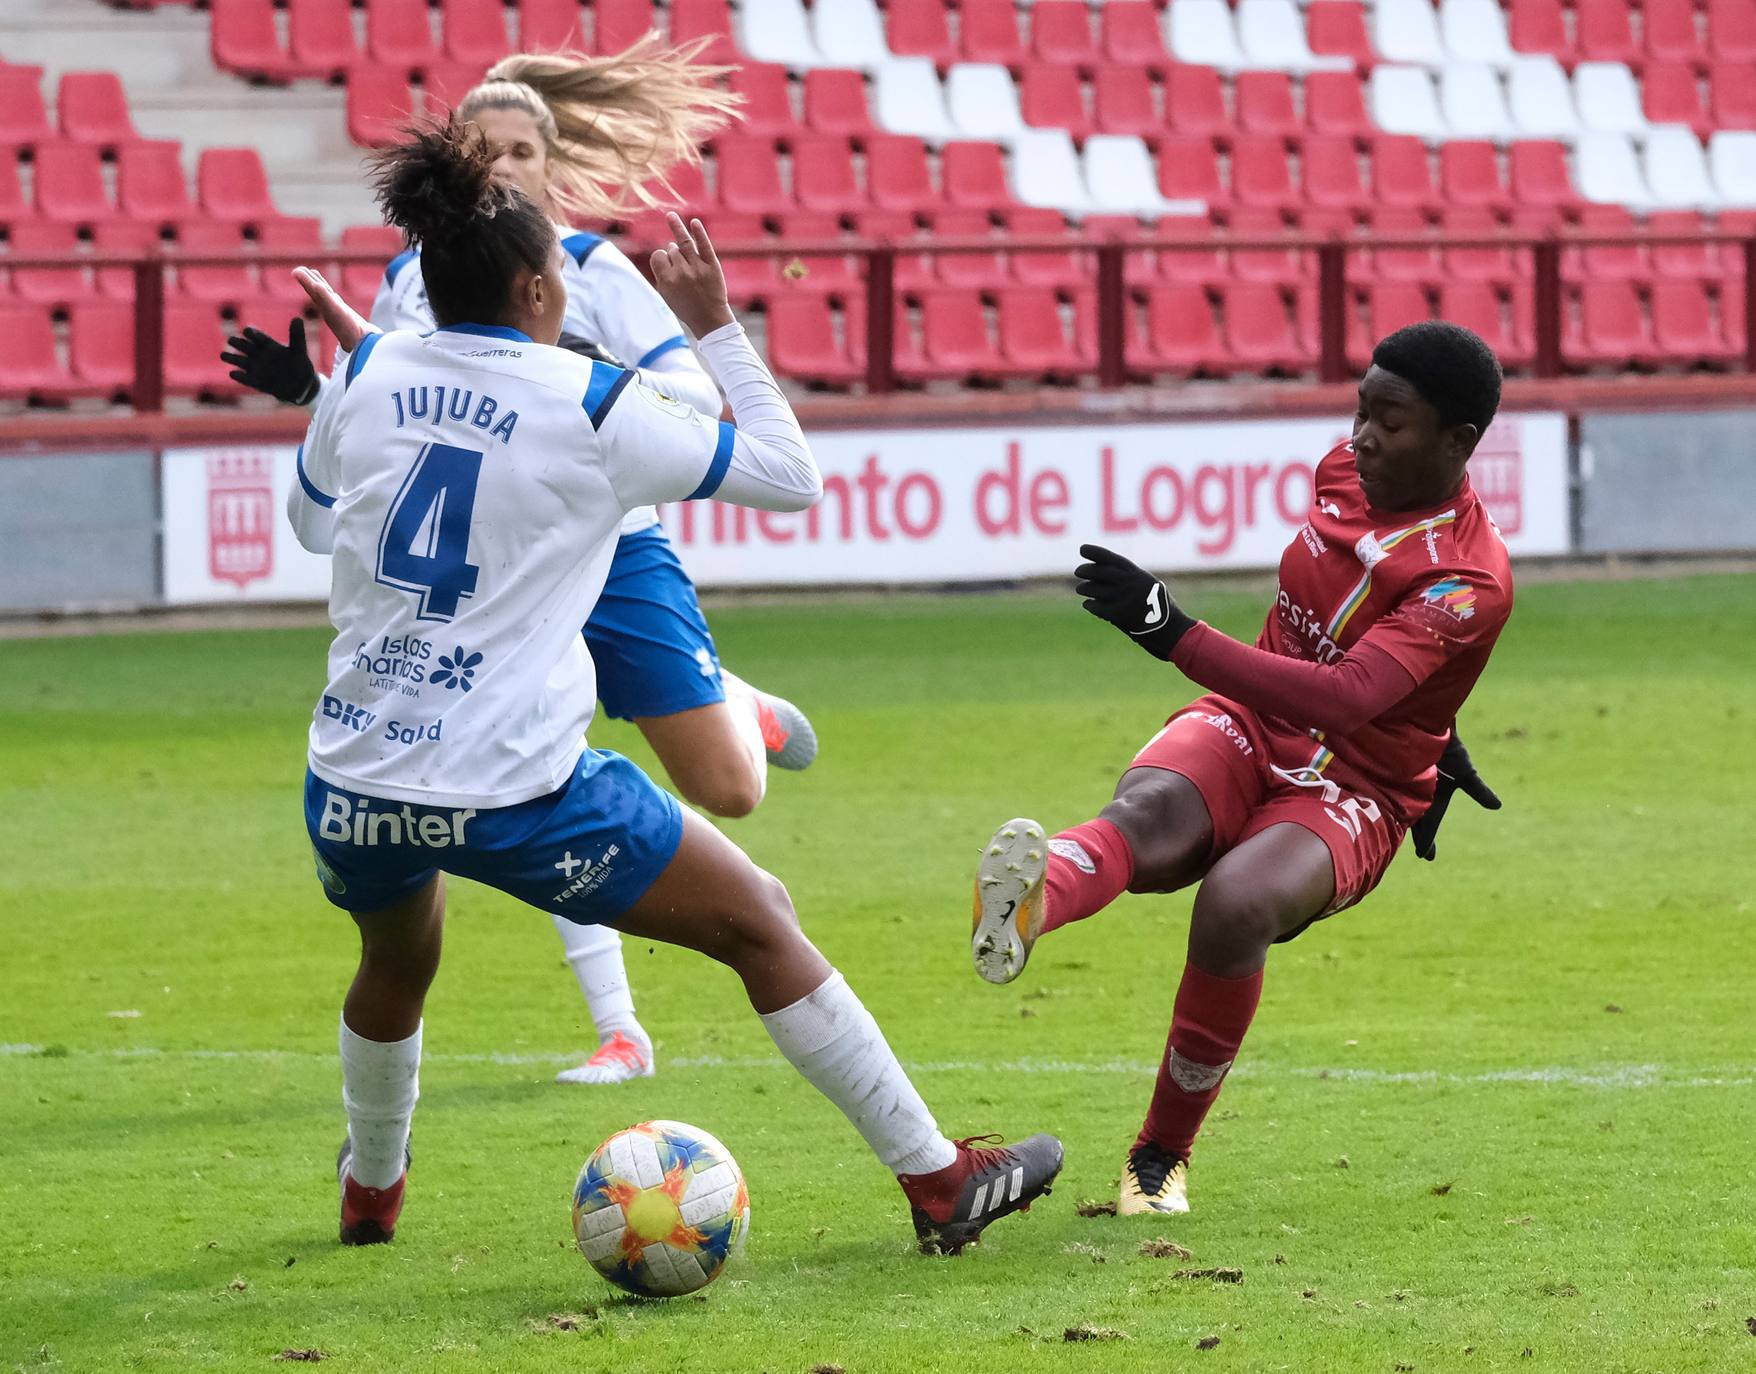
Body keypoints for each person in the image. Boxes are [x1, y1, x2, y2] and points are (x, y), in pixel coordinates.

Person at [289, 122, 1063, 1254]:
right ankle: (940, 1182)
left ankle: (371, 1190)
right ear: (535, 286)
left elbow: (312, 524)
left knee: (397, 956)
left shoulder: (366, 368)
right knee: (760, 922)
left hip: (352, 770)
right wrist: (712, 323)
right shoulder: (589, 401)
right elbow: (790, 477)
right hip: (514, 787)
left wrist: (387, 398)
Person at [226, 37, 813, 1089]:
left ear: (553, 167)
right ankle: (620, 1030)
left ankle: (732, 703)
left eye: (520, 152)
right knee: (522, 773)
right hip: (497, 570)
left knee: (727, 791)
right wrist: (316, 394)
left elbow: (696, 407)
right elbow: (407, 425)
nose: (501, 168)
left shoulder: (592, 269)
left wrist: (587, 386)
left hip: (610, 545)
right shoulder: (411, 281)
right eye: (483, 149)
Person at [967, 322, 1511, 1217]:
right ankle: (1029, 905)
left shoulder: (1467, 579)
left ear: (1459, 442)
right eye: (1360, 409)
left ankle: (1158, 1158)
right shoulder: (1344, 472)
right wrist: (1437, 720)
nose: (1362, 436)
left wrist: (1171, 632)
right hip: (1249, 722)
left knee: (1236, 903)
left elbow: (1347, 697)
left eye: (1392, 421)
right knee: (1152, 815)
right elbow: (1348, 641)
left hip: (1360, 786)